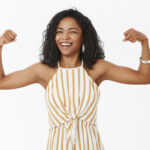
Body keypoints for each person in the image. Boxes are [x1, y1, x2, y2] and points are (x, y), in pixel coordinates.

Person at [0, 8, 150, 150]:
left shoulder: (96, 69)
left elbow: (144, 77)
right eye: (59, 32)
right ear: (53, 37)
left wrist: (144, 43)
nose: (65, 37)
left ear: (83, 36)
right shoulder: (44, 71)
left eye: (72, 32)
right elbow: (2, 83)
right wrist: (0, 46)